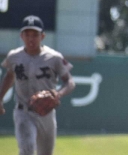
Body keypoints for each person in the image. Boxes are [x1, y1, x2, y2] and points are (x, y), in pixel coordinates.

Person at [0, 15, 75, 155]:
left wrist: (58, 94)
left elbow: (70, 82)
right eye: (27, 34)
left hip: (46, 113)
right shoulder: (14, 56)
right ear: (21, 36)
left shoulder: (54, 57)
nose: (31, 39)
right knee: (27, 149)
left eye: (35, 35)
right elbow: (9, 76)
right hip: (24, 111)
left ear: (43, 36)